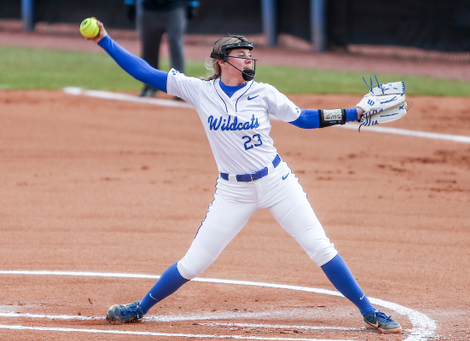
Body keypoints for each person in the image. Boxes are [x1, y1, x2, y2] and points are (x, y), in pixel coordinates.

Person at [89, 19, 403, 334]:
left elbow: (303, 119)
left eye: (250, 55)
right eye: (241, 55)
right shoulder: (200, 91)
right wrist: (105, 40)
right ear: (222, 61)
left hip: (277, 183)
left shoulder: (263, 93)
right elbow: (144, 72)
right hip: (232, 193)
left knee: (320, 247)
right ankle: (140, 308)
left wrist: (353, 113)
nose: (249, 60)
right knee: (193, 263)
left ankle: (369, 311)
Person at [124, 0, 195, 98]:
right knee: (149, 48)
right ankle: (150, 86)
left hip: (175, 7)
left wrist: (193, 4)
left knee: (176, 46)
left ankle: (180, 88)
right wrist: (130, 3)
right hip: (149, 8)